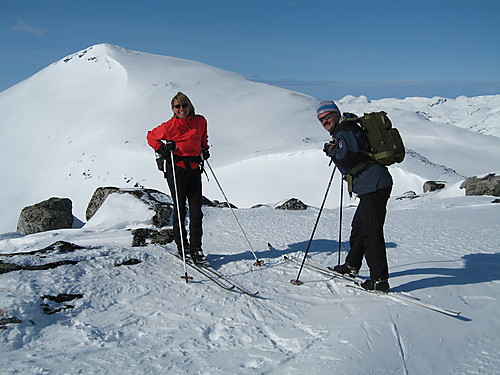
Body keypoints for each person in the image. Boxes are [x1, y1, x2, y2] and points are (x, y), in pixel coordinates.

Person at [317, 100, 393, 292]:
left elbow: (348, 155)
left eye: (327, 117)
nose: (324, 121)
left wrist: (332, 150)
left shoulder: (345, 129)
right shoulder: (346, 128)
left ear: (336, 114)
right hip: (372, 184)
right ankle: (352, 265)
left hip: (373, 185)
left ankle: (379, 280)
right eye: (321, 119)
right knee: (359, 227)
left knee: (371, 232)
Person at [147, 92, 210, 263]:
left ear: (190, 106)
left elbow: (202, 137)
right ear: (173, 109)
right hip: (177, 170)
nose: (181, 109)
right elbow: (151, 137)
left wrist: (204, 148)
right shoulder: (169, 127)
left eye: (184, 105)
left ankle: (196, 248)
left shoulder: (200, 121)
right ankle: (183, 247)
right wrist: (162, 149)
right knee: (180, 209)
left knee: (196, 211)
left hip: (195, 169)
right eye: (177, 106)